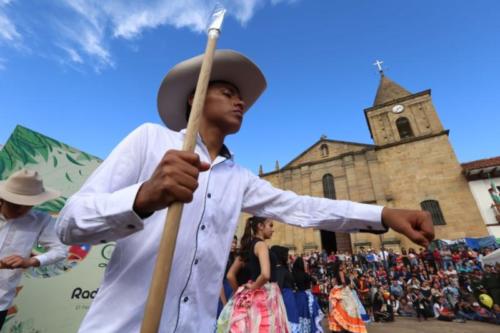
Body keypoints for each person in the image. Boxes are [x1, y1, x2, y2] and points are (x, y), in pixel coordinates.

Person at [55, 49, 435, 332]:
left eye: (242, 98)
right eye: (227, 91)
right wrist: (142, 198)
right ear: (196, 96)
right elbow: (69, 224)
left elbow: (302, 207)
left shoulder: (239, 178)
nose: (241, 102)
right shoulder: (150, 140)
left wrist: (383, 215)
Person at [0, 169, 67, 330]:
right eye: (16, 205)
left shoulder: (41, 220)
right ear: (2, 199)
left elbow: (60, 250)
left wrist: (30, 261)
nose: (22, 211)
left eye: (28, 206)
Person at [217, 217, 289, 332]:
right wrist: (254, 287)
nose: (273, 229)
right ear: (260, 226)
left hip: (253, 296)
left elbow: (230, 275)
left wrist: (240, 294)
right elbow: (265, 274)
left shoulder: (247, 248)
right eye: (270, 225)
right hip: (266, 293)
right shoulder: (261, 245)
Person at [270, 245, 300, 332]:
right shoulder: (280, 270)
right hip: (286, 300)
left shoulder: (280, 269)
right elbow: (278, 286)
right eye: (286, 255)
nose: (287, 257)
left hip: (288, 298)